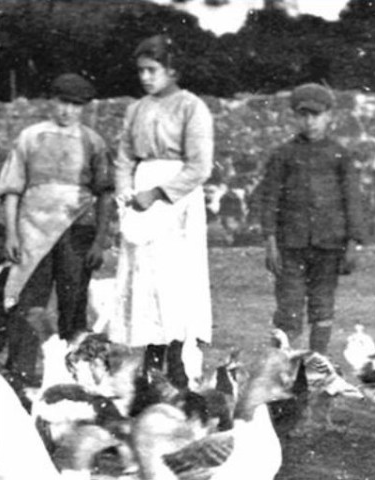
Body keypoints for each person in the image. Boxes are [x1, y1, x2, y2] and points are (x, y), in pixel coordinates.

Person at [0, 73, 113, 385]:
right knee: (27, 301)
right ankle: (19, 375)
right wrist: (11, 234)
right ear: (51, 101)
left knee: (73, 303)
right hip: (33, 231)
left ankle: (74, 376)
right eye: (62, 102)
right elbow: (11, 189)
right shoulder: (30, 137)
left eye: (76, 106)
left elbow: (104, 195)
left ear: (84, 108)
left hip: (76, 232)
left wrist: (99, 241)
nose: (67, 111)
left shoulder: (93, 142)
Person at [112, 34, 214, 388]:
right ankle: (150, 361)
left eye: (152, 70)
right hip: (141, 193)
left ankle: (177, 358)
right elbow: (124, 156)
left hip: (176, 197)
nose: (145, 77)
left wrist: (157, 193)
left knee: (175, 280)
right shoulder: (136, 109)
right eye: (140, 71)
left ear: (171, 70)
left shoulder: (191, 107)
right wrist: (126, 194)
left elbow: (200, 166)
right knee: (144, 278)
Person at [261, 83, 364, 355]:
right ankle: (280, 368)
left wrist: (353, 242)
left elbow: (352, 199)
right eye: (303, 115)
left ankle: (318, 365)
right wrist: (270, 241)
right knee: (289, 308)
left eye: (316, 115)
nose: (310, 121)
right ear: (295, 116)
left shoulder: (340, 155)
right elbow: (269, 198)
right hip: (290, 246)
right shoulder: (283, 155)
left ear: (329, 115)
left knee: (322, 306)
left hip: (329, 245)